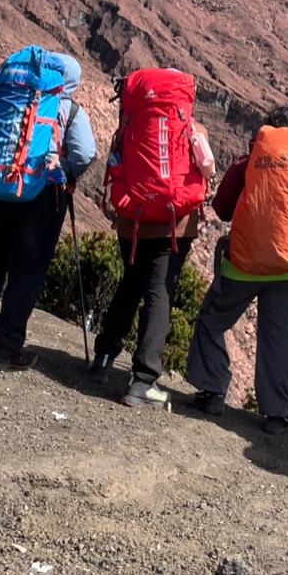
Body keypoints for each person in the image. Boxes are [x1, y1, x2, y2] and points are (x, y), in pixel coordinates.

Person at [186, 106, 288, 435]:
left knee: (213, 320)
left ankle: (212, 391)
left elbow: (222, 208)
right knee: (279, 336)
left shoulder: (249, 164)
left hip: (244, 264)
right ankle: (278, 414)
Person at [0, 54, 96, 370]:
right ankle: (6, 348)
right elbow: (85, 153)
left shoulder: (8, 98)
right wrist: (66, 169)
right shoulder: (68, 108)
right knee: (27, 269)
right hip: (42, 193)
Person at [88, 119, 217, 407]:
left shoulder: (128, 127)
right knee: (159, 293)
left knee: (130, 284)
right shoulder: (193, 128)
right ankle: (143, 381)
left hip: (132, 222)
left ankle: (104, 359)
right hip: (173, 225)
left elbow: (114, 164)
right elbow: (208, 166)